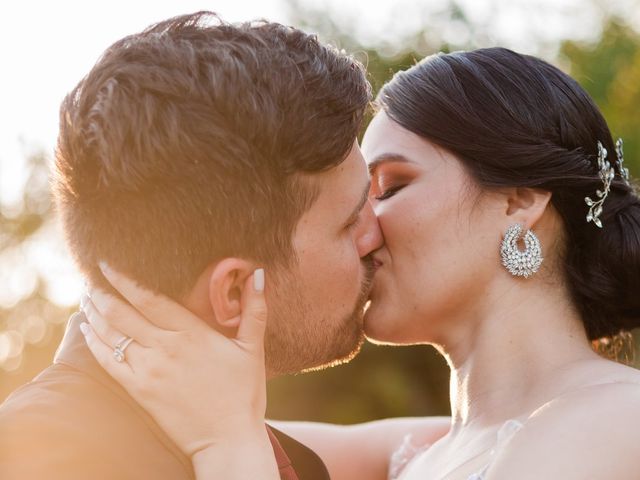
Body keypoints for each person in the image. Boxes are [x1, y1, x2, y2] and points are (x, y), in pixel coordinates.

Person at [81, 46, 640, 479]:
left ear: (518, 199)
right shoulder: (414, 452)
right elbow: (165, 413)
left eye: (392, 186)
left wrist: (228, 447)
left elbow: (226, 430)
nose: (362, 229)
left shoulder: (620, 418)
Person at [0, 12, 449, 480]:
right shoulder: (39, 461)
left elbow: (469, 442)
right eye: (348, 221)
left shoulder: (267, 448)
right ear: (235, 291)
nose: (374, 233)